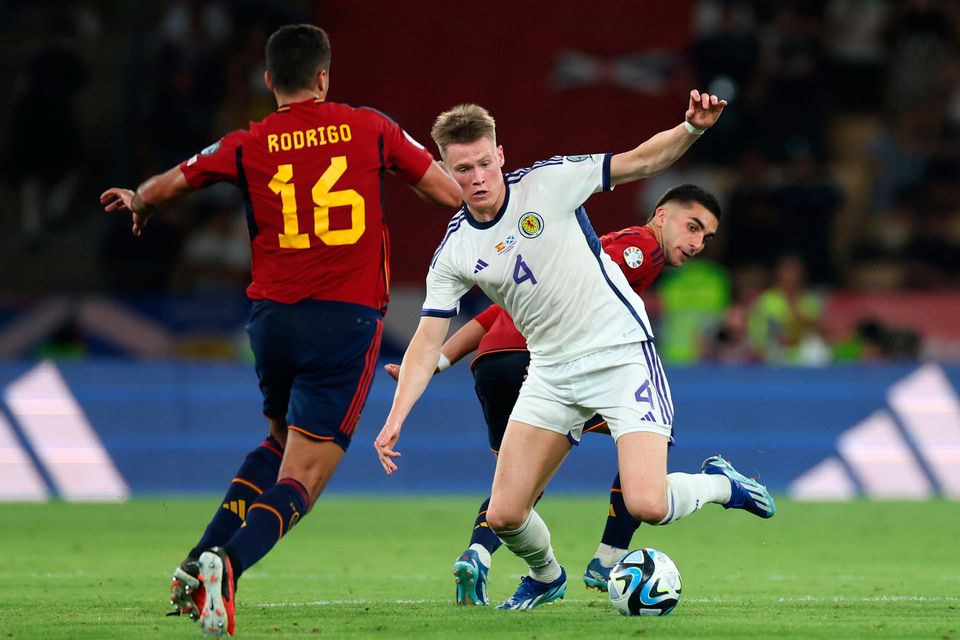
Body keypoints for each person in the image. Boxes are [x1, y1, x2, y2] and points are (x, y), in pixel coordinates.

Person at [101, 24, 461, 637]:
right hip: (344, 321)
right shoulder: (368, 127)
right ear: (324, 75)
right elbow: (446, 192)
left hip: (272, 324)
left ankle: (198, 560)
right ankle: (228, 563)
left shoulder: (249, 141)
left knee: (276, 444)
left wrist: (140, 201)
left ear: (269, 81)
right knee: (305, 477)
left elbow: (173, 183)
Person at [374, 94, 775, 610]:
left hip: (620, 355)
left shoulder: (548, 182)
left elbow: (639, 160)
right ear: (447, 172)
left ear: (500, 155)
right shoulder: (454, 252)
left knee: (648, 504)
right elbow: (426, 339)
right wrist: (396, 417)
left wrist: (691, 130)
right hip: (551, 372)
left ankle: (720, 484)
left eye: (482, 163)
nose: (475, 177)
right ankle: (546, 576)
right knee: (504, 514)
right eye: (461, 169)